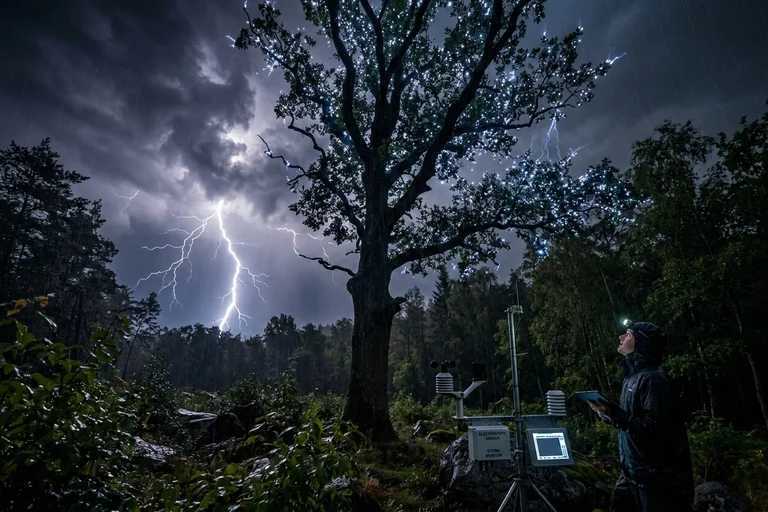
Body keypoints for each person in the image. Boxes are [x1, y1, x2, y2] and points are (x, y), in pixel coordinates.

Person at [588, 322, 694, 512]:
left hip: (658, 483)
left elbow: (654, 428)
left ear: (642, 343)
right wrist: (606, 413)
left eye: (628, 334)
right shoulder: (632, 378)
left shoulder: (654, 379)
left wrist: (615, 414)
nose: (621, 337)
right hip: (631, 475)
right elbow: (630, 422)